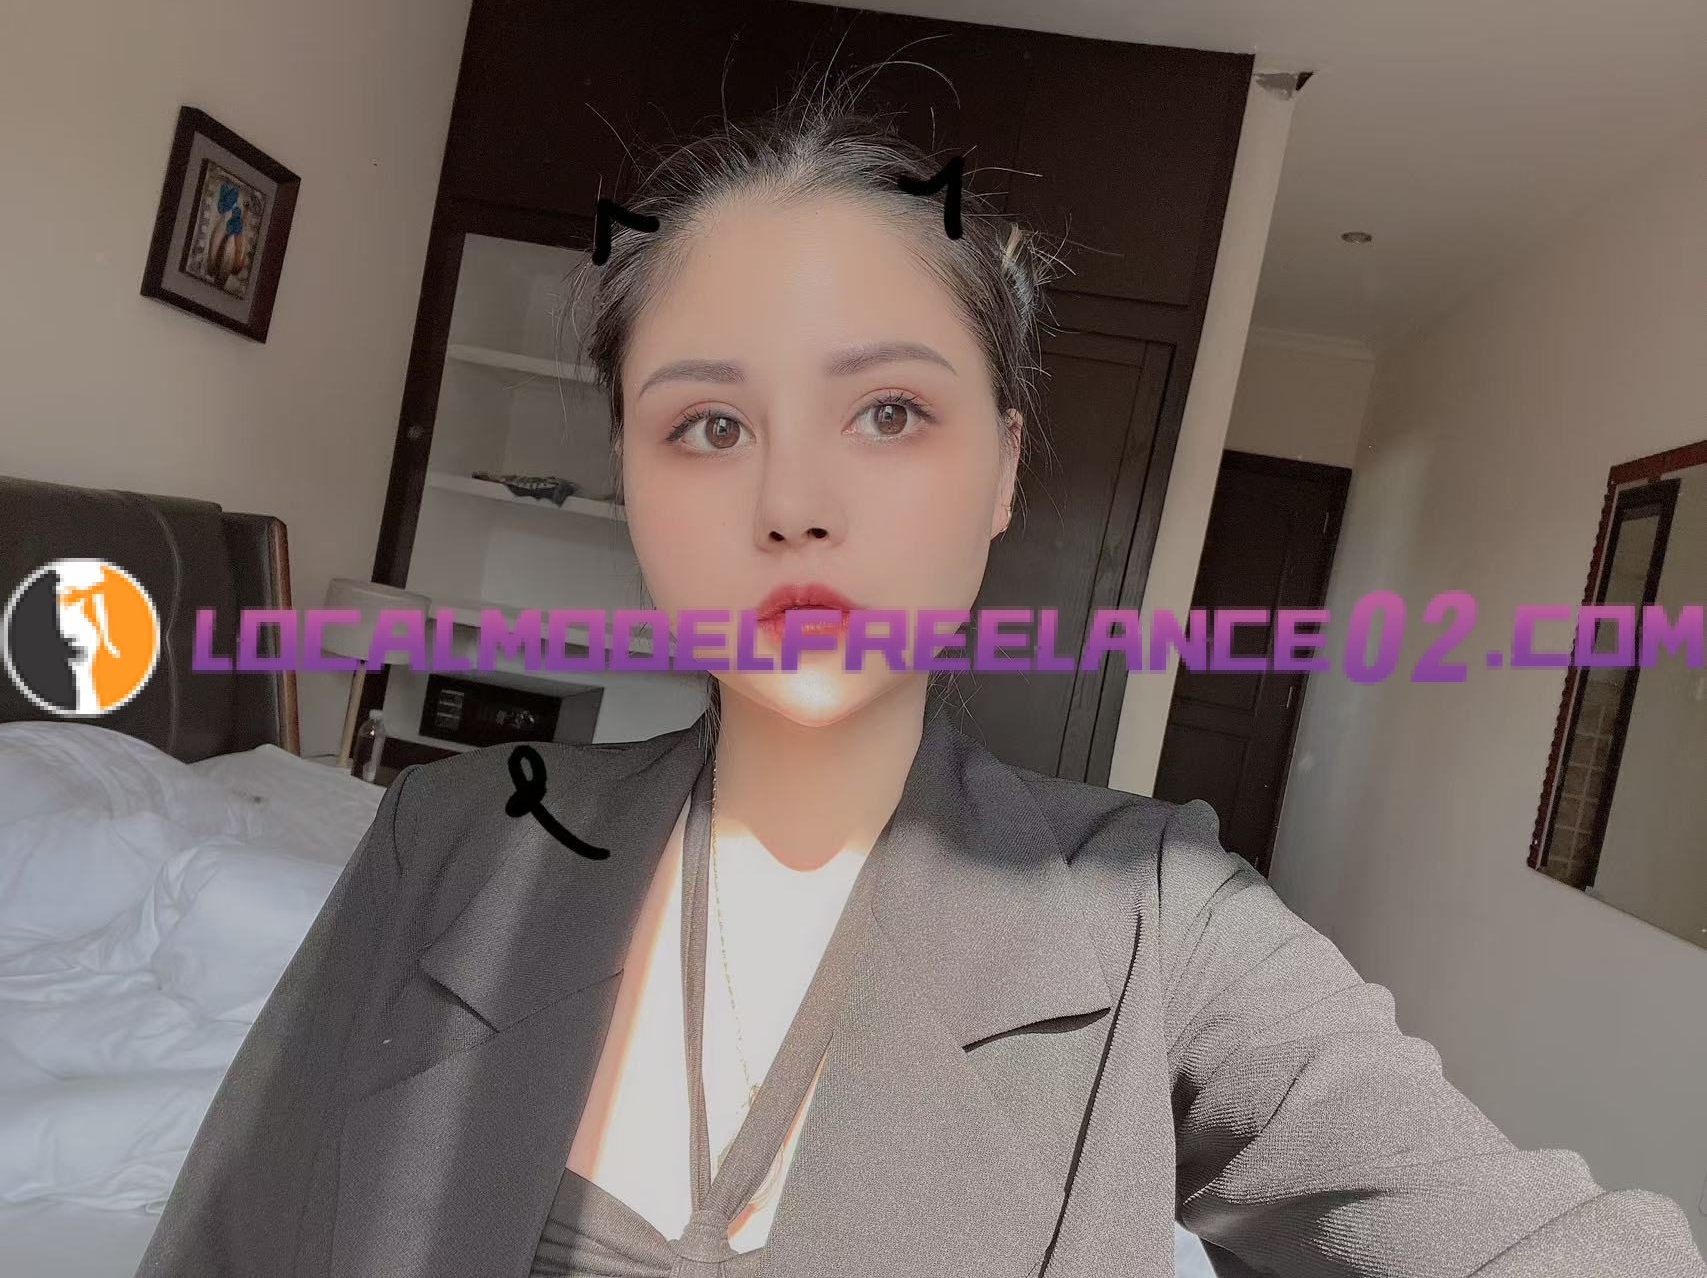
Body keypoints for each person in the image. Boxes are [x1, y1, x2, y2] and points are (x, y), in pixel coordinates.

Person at [136, 68, 1707, 1278]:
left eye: (889, 412)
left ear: (1004, 469)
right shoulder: (441, 840)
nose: (793, 502)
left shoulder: (1162, 920)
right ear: (630, 479)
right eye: (707, 423)